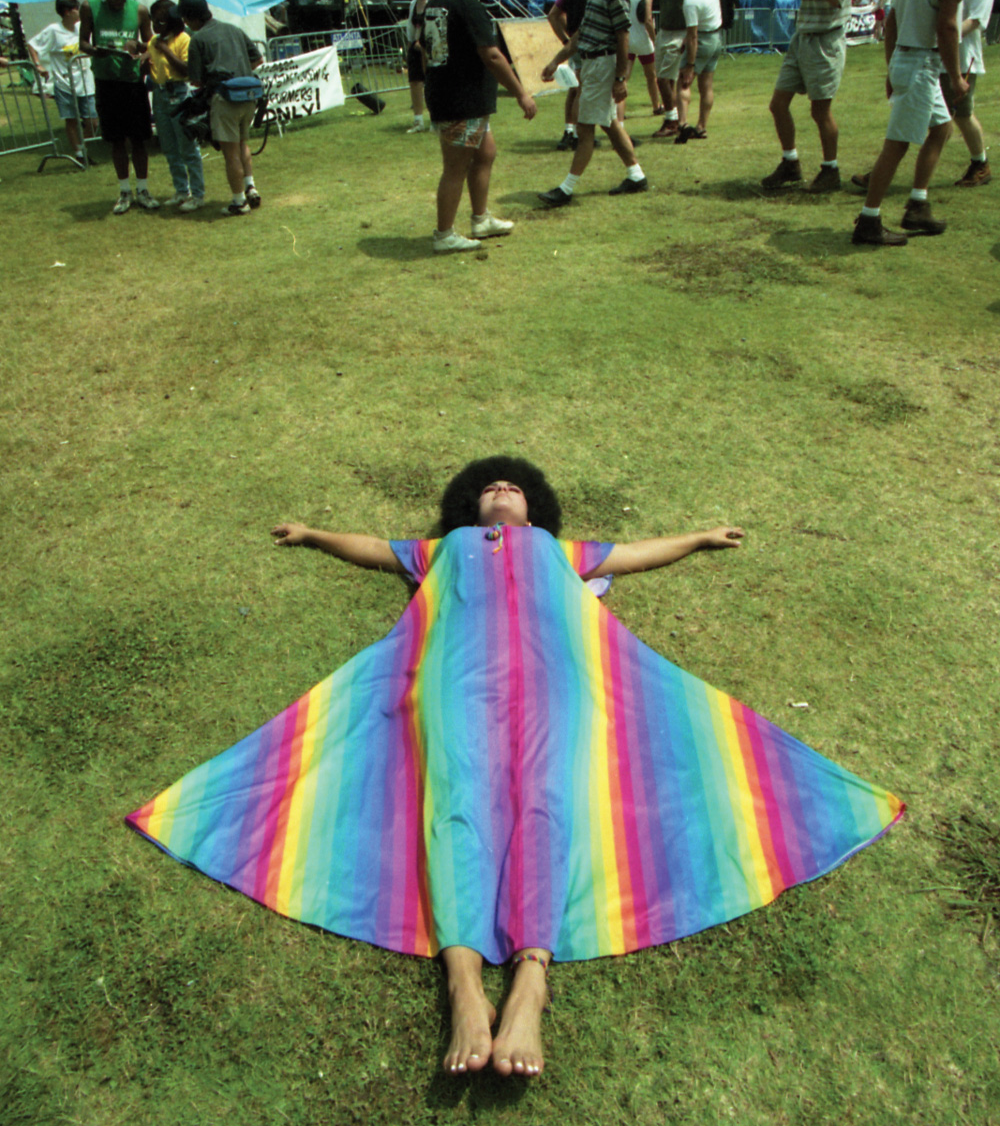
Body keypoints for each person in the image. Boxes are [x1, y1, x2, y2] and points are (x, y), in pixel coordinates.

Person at [127, 456, 903, 1080]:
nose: (504, 491)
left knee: (549, 800)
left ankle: (532, 978)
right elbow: (372, 549)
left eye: (517, 488)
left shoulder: (563, 554)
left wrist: (698, 538)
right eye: (492, 486)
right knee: (455, 798)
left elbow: (633, 554)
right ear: (470, 508)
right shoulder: (442, 550)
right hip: (451, 678)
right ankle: (464, 987)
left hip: (557, 677)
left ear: (536, 511)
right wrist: (313, 532)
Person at [851, 0, 989, 246]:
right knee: (896, 144)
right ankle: (869, 220)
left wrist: (891, 65)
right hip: (922, 63)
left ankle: (918, 204)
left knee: (941, 127)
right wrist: (956, 76)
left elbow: (894, 17)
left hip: (909, 59)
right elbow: (947, 25)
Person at [421, 0, 537, 253]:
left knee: (485, 153)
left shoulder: (436, 4)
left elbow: (426, 50)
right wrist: (521, 94)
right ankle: (444, 235)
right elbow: (493, 56)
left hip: (453, 98)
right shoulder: (469, 6)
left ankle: (481, 219)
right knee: (455, 167)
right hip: (461, 101)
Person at [538, 0, 648, 207]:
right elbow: (581, 34)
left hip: (603, 63)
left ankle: (566, 188)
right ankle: (636, 175)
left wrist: (621, 77)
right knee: (610, 124)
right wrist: (555, 61)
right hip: (593, 63)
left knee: (585, 129)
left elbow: (622, 33)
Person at [761, 0, 852, 193]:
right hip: (802, 39)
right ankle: (790, 163)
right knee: (778, 104)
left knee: (820, 111)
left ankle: (830, 170)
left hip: (825, 41)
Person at [78, 0, 157, 215]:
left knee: (139, 138)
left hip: (132, 82)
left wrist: (140, 50)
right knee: (116, 139)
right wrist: (94, 51)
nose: (119, 0)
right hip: (106, 81)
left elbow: (151, 45)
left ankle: (143, 189)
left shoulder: (140, 10)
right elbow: (82, 42)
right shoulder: (89, 8)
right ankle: (124, 191)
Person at [178, 0, 264, 217]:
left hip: (225, 99)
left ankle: (238, 202)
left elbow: (195, 79)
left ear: (193, 17)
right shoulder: (234, 29)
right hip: (249, 96)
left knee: (230, 152)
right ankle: (250, 187)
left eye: (185, 19)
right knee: (243, 143)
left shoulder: (198, 39)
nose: (185, 23)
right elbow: (258, 59)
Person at [945, 0, 997, 185]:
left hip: (964, 53)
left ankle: (981, 164)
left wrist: (946, 37)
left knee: (962, 114)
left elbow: (977, 18)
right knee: (922, 110)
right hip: (941, 50)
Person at [143, 0, 205, 211]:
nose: (156, 26)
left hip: (178, 93)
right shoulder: (153, 41)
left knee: (187, 148)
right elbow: (151, 66)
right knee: (169, 148)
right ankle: (181, 190)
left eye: (160, 22)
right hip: (159, 95)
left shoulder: (183, 39)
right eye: (153, 21)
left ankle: (197, 194)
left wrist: (166, 51)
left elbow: (185, 69)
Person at [26, 0, 98, 167]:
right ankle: (79, 154)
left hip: (86, 81)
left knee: (93, 121)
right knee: (71, 119)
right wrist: (38, 65)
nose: (79, 12)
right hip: (64, 83)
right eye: (76, 9)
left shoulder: (82, 27)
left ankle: (83, 146)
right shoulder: (54, 30)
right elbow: (32, 45)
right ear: (67, 12)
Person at [671, 0, 723, 144]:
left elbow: (693, 37)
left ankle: (683, 124)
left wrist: (690, 66)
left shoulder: (690, 1)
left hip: (701, 39)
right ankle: (702, 127)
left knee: (684, 82)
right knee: (707, 85)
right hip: (716, 36)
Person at [546, 0, 594, 151]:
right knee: (582, 90)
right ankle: (575, 134)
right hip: (590, 42)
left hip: (574, 44)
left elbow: (553, 15)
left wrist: (565, 39)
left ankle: (568, 130)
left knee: (574, 89)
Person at [637, 0, 685, 139]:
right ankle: (673, 118)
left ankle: (672, 120)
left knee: (663, 79)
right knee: (665, 80)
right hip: (664, 33)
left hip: (680, 34)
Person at [619, 0, 661, 122]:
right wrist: (655, 39)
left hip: (628, 39)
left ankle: (620, 108)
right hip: (643, 40)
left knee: (624, 77)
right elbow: (648, 20)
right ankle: (656, 106)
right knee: (651, 76)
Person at [405, 0, 437, 133]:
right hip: (414, 48)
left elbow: (435, 26)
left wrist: (423, 42)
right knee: (415, 82)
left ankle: (435, 120)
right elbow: (410, 26)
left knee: (431, 84)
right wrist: (411, 43)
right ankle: (418, 121)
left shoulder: (434, 1)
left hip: (429, 50)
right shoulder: (413, 3)